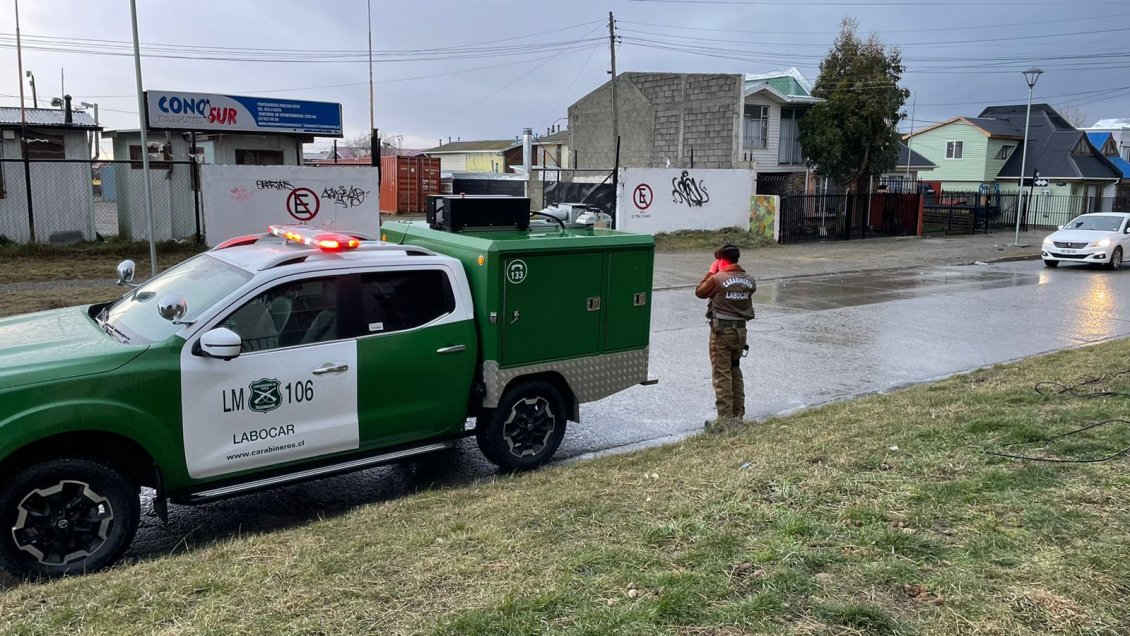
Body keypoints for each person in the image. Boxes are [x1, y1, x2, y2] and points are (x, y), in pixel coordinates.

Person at [695, 243, 757, 425]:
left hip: (722, 332)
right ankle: (738, 415)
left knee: (721, 374)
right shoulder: (750, 280)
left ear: (721, 260)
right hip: (740, 332)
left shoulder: (718, 279)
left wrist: (711, 272)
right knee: (735, 370)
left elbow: (700, 292)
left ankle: (725, 420)